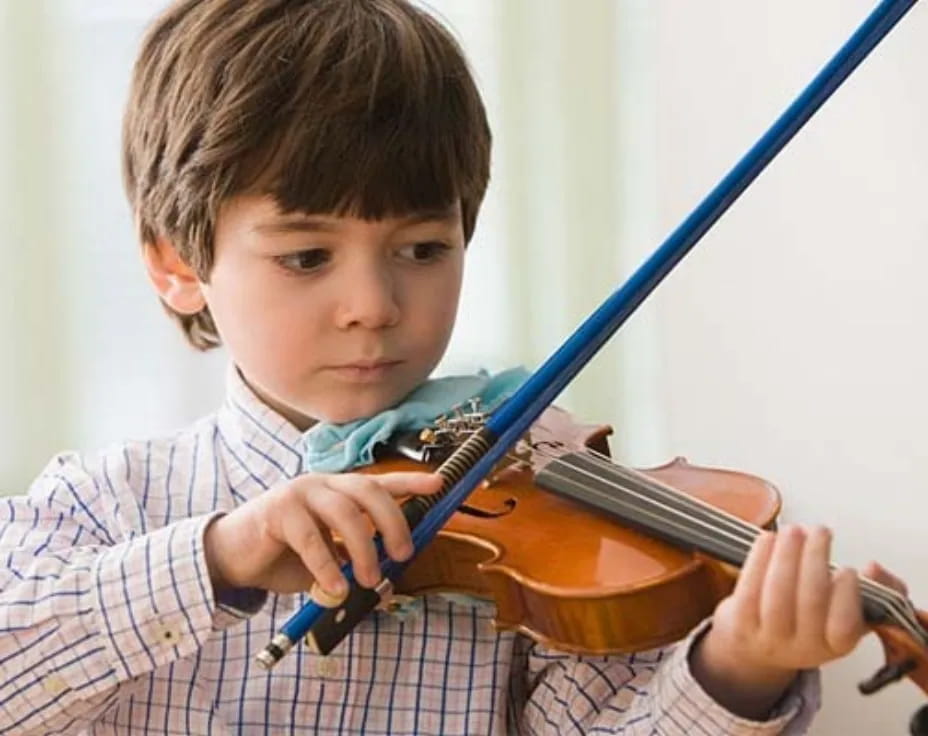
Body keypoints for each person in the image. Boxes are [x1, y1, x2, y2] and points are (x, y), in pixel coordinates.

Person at [0, 1, 904, 733]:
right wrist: (219, 559)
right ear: (175, 265)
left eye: (423, 248)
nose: (376, 305)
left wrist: (738, 665)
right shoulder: (102, 506)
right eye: (307, 257)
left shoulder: (548, 499)